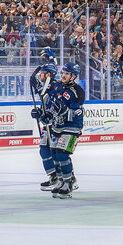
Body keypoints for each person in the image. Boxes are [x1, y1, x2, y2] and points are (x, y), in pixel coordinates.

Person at [41, 62, 84, 199]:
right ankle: (60, 180)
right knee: (54, 153)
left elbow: (77, 112)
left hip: (72, 127)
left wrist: (64, 111)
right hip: (57, 126)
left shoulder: (77, 91)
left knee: (62, 154)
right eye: (63, 73)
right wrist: (43, 114)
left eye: (67, 74)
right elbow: (50, 101)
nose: (63, 76)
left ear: (73, 76)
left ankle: (68, 182)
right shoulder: (57, 86)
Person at [29, 63, 61, 191]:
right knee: (44, 150)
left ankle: (64, 178)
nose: (40, 75)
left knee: (57, 152)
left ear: (48, 74)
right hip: (47, 125)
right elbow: (35, 83)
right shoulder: (45, 87)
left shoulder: (56, 87)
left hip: (55, 125)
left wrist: (47, 115)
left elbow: (58, 107)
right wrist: (39, 114)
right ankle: (53, 176)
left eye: (42, 73)